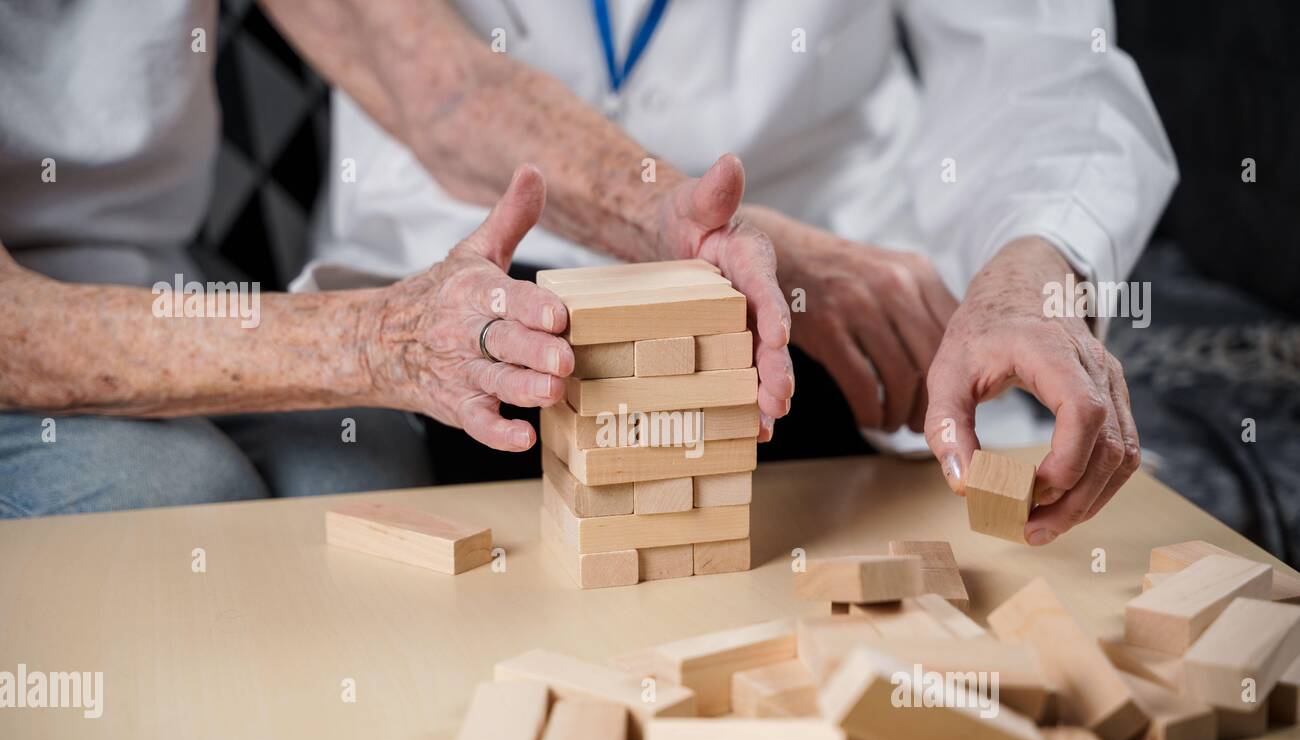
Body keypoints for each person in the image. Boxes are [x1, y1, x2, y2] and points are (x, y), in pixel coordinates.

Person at [291, 0, 1177, 546]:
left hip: (845, 322)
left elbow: (1041, 61)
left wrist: (1029, 275)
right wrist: (683, 222)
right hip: (452, 280)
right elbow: (432, 84)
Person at [0, 1, 789, 518]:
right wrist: (382, 341)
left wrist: (657, 216)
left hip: (156, 276)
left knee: (357, 478)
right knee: (176, 498)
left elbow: (437, 87)